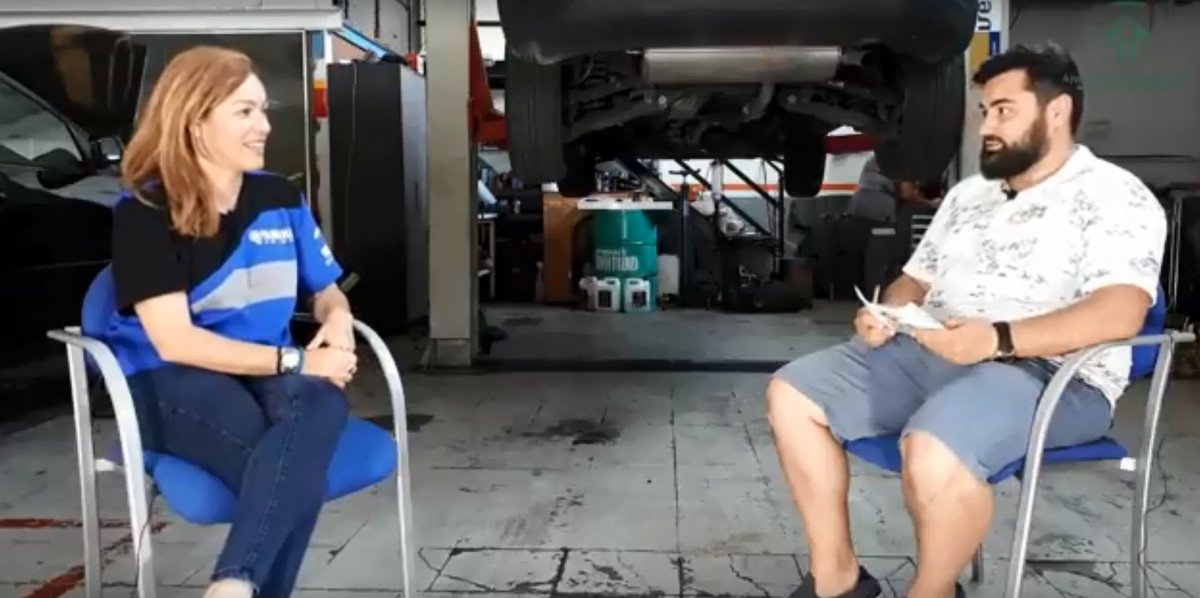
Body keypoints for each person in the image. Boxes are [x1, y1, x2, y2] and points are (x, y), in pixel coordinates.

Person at [766, 43, 1165, 598]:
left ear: (1057, 111)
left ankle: (932, 592)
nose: (986, 127)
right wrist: (888, 312)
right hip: (934, 351)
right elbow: (914, 281)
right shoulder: (969, 195)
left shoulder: (1114, 195)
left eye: (1004, 110)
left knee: (934, 448)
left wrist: (997, 340)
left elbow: (1121, 311)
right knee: (793, 394)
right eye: (984, 111)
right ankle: (838, 579)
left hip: (1051, 374)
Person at [106, 46, 358, 598]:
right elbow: (175, 342)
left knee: (322, 403)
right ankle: (238, 583)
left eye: (263, 110)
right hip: (170, 378)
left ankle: (233, 584)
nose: (263, 126)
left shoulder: (279, 196)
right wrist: (300, 360)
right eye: (244, 112)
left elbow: (325, 289)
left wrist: (338, 319)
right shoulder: (145, 210)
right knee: (293, 475)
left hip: (261, 370)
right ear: (194, 121)